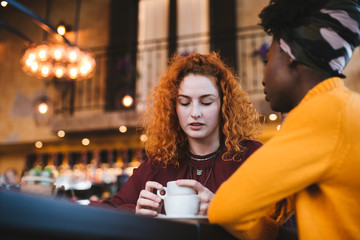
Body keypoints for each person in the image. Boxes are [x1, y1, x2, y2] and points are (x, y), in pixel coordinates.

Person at [208, 0, 360, 239]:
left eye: (268, 59)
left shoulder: (323, 114)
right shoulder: (343, 107)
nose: (263, 78)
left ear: (290, 56)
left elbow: (225, 210)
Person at [98, 52, 262, 216]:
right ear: (173, 108)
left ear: (224, 104)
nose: (195, 113)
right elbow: (106, 212)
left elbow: (278, 227)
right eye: (184, 102)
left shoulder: (251, 157)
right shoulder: (159, 163)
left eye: (206, 102)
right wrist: (136, 214)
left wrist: (223, 210)